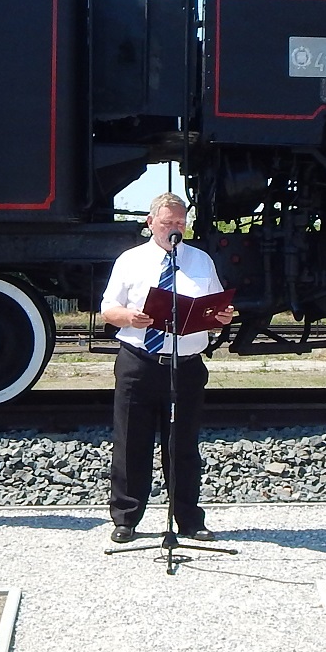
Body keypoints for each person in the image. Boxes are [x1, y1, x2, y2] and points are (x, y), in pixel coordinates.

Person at [99, 191, 237, 543]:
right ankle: (126, 518)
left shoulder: (201, 260)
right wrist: (130, 317)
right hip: (139, 363)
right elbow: (108, 310)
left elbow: (215, 308)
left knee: (183, 445)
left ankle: (188, 519)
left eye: (180, 222)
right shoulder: (130, 260)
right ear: (150, 223)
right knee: (131, 443)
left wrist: (222, 317)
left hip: (185, 365)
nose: (175, 228)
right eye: (167, 222)